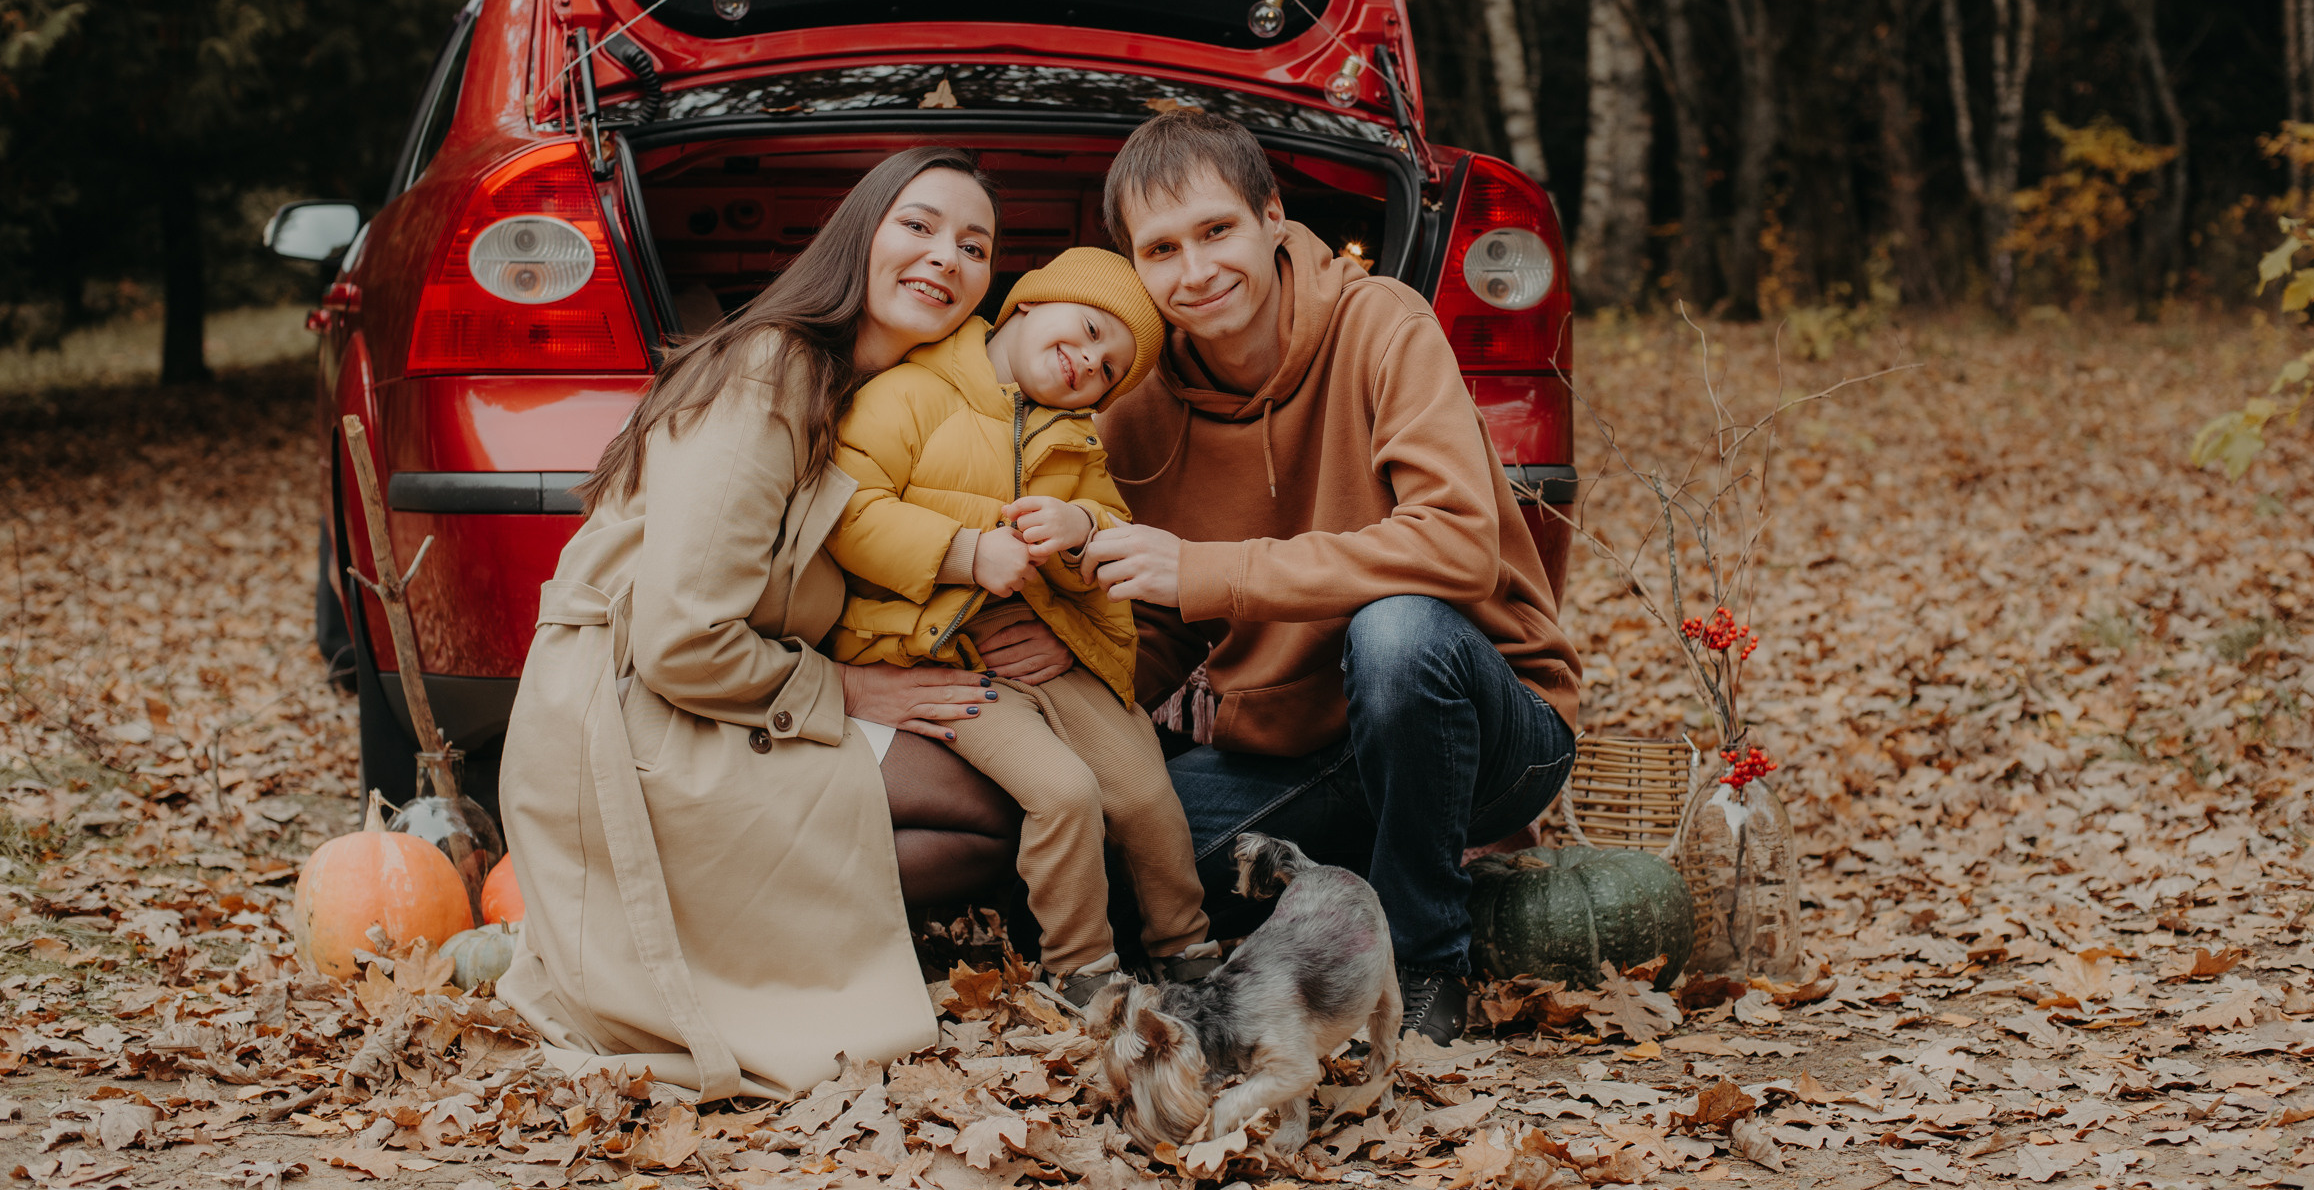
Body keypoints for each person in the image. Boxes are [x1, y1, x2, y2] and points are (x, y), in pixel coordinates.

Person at [497, 146, 1076, 1100]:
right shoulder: (772, 373)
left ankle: (742, 923)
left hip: (711, 698)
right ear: (862, 233)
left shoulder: (880, 399)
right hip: (631, 716)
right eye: (919, 225)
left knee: (1003, 812)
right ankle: (694, 929)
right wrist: (851, 690)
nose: (947, 258)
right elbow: (682, 638)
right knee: (990, 817)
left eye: (976, 247)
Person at [1082, 110, 1583, 1045]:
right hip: (1299, 752)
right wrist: (1049, 716)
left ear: (1273, 216)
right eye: (1161, 250)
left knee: (1397, 632)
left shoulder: (1382, 325)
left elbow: (1456, 549)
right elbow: (1160, 630)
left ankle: (1428, 968)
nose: (1196, 271)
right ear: (1134, 268)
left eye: (1217, 230)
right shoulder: (1137, 410)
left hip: (1489, 722)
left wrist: (1209, 570)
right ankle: (1350, 882)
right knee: (1110, 858)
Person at [827, 248, 1213, 1004]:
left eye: (1108, 368)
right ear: (1031, 304)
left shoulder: (1075, 438)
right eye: (1091, 328)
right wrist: (967, 553)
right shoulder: (910, 392)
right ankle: (1083, 970)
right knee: (1063, 791)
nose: (1089, 360)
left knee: (1145, 794)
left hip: (1055, 648)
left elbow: (1110, 534)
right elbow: (848, 513)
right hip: (947, 655)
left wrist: (1078, 529)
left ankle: (1187, 949)